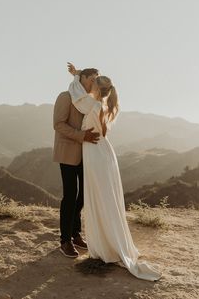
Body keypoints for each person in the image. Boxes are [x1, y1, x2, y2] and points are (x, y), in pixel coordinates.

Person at [66, 63, 162, 281]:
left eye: (92, 83)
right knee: (105, 200)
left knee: (100, 199)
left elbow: (75, 95)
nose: (88, 85)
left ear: (96, 89)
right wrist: (78, 74)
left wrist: (77, 76)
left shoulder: (91, 104)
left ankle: (107, 247)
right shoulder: (105, 106)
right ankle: (109, 243)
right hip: (102, 154)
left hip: (96, 155)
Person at [53, 66, 100, 258]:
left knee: (83, 196)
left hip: (86, 153)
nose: (94, 84)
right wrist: (81, 136)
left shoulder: (88, 100)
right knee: (70, 195)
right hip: (68, 152)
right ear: (83, 79)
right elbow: (58, 124)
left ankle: (75, 233)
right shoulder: (65, 96)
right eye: (92, 80)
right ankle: (65, 240)